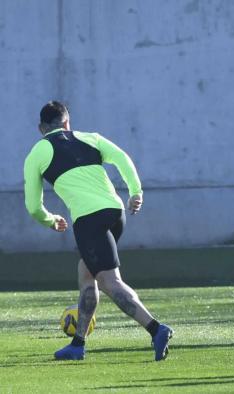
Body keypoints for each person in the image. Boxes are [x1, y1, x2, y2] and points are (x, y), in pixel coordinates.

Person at [23, 101, 173, 361]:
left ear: (41, 128)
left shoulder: (38, 151)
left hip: (88, 219)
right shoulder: (90, 138)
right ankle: (78, 343)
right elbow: (123, 159)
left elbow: (33, 206)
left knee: (108, 281)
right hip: (115, 212)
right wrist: (135, 192)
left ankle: (156, 328)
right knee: (86, 273)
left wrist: (50, 220)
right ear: (68, 122)